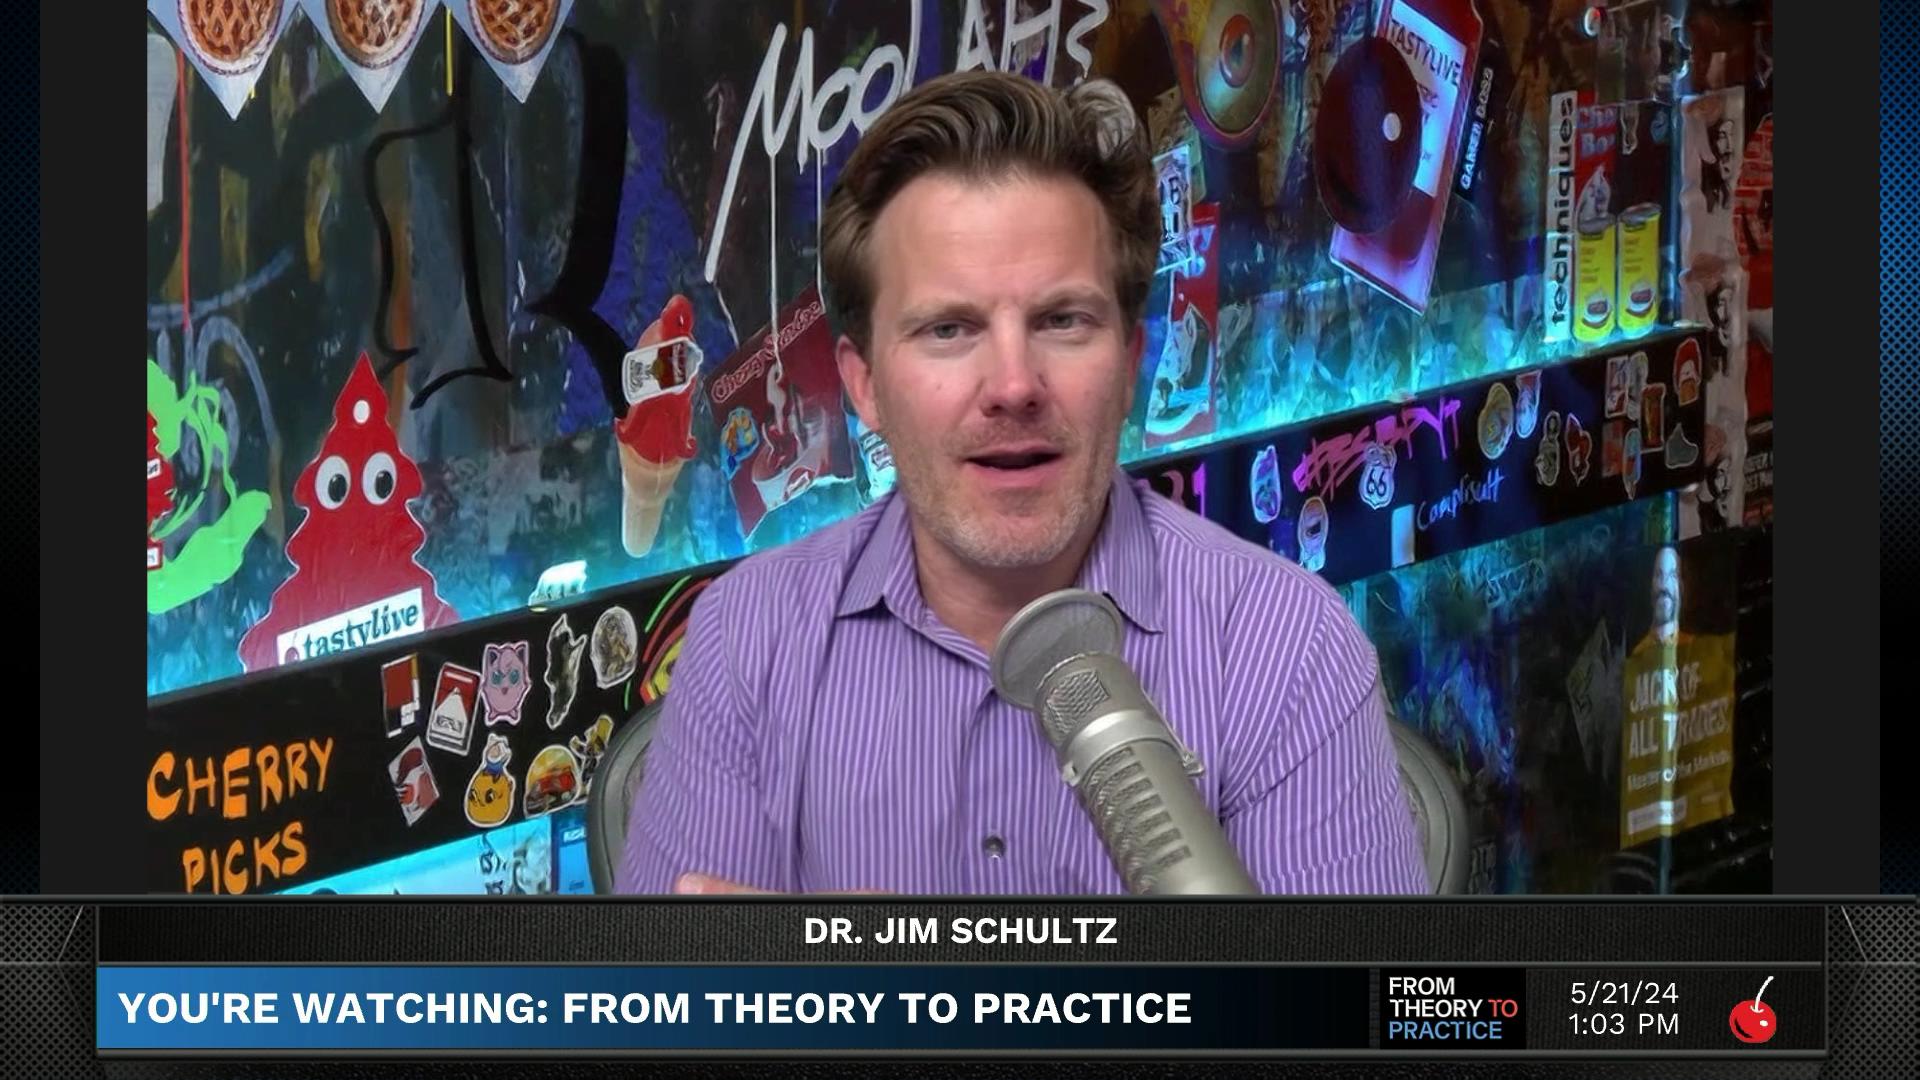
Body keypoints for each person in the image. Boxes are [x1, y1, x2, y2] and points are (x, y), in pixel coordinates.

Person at [616, 71, 1428, 896]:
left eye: (1063, 321)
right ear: (863, 387)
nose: (1013, 385)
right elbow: (675, 978)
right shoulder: (744, 640)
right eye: (948, 329)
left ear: (1129, 363)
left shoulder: (1290, 650)